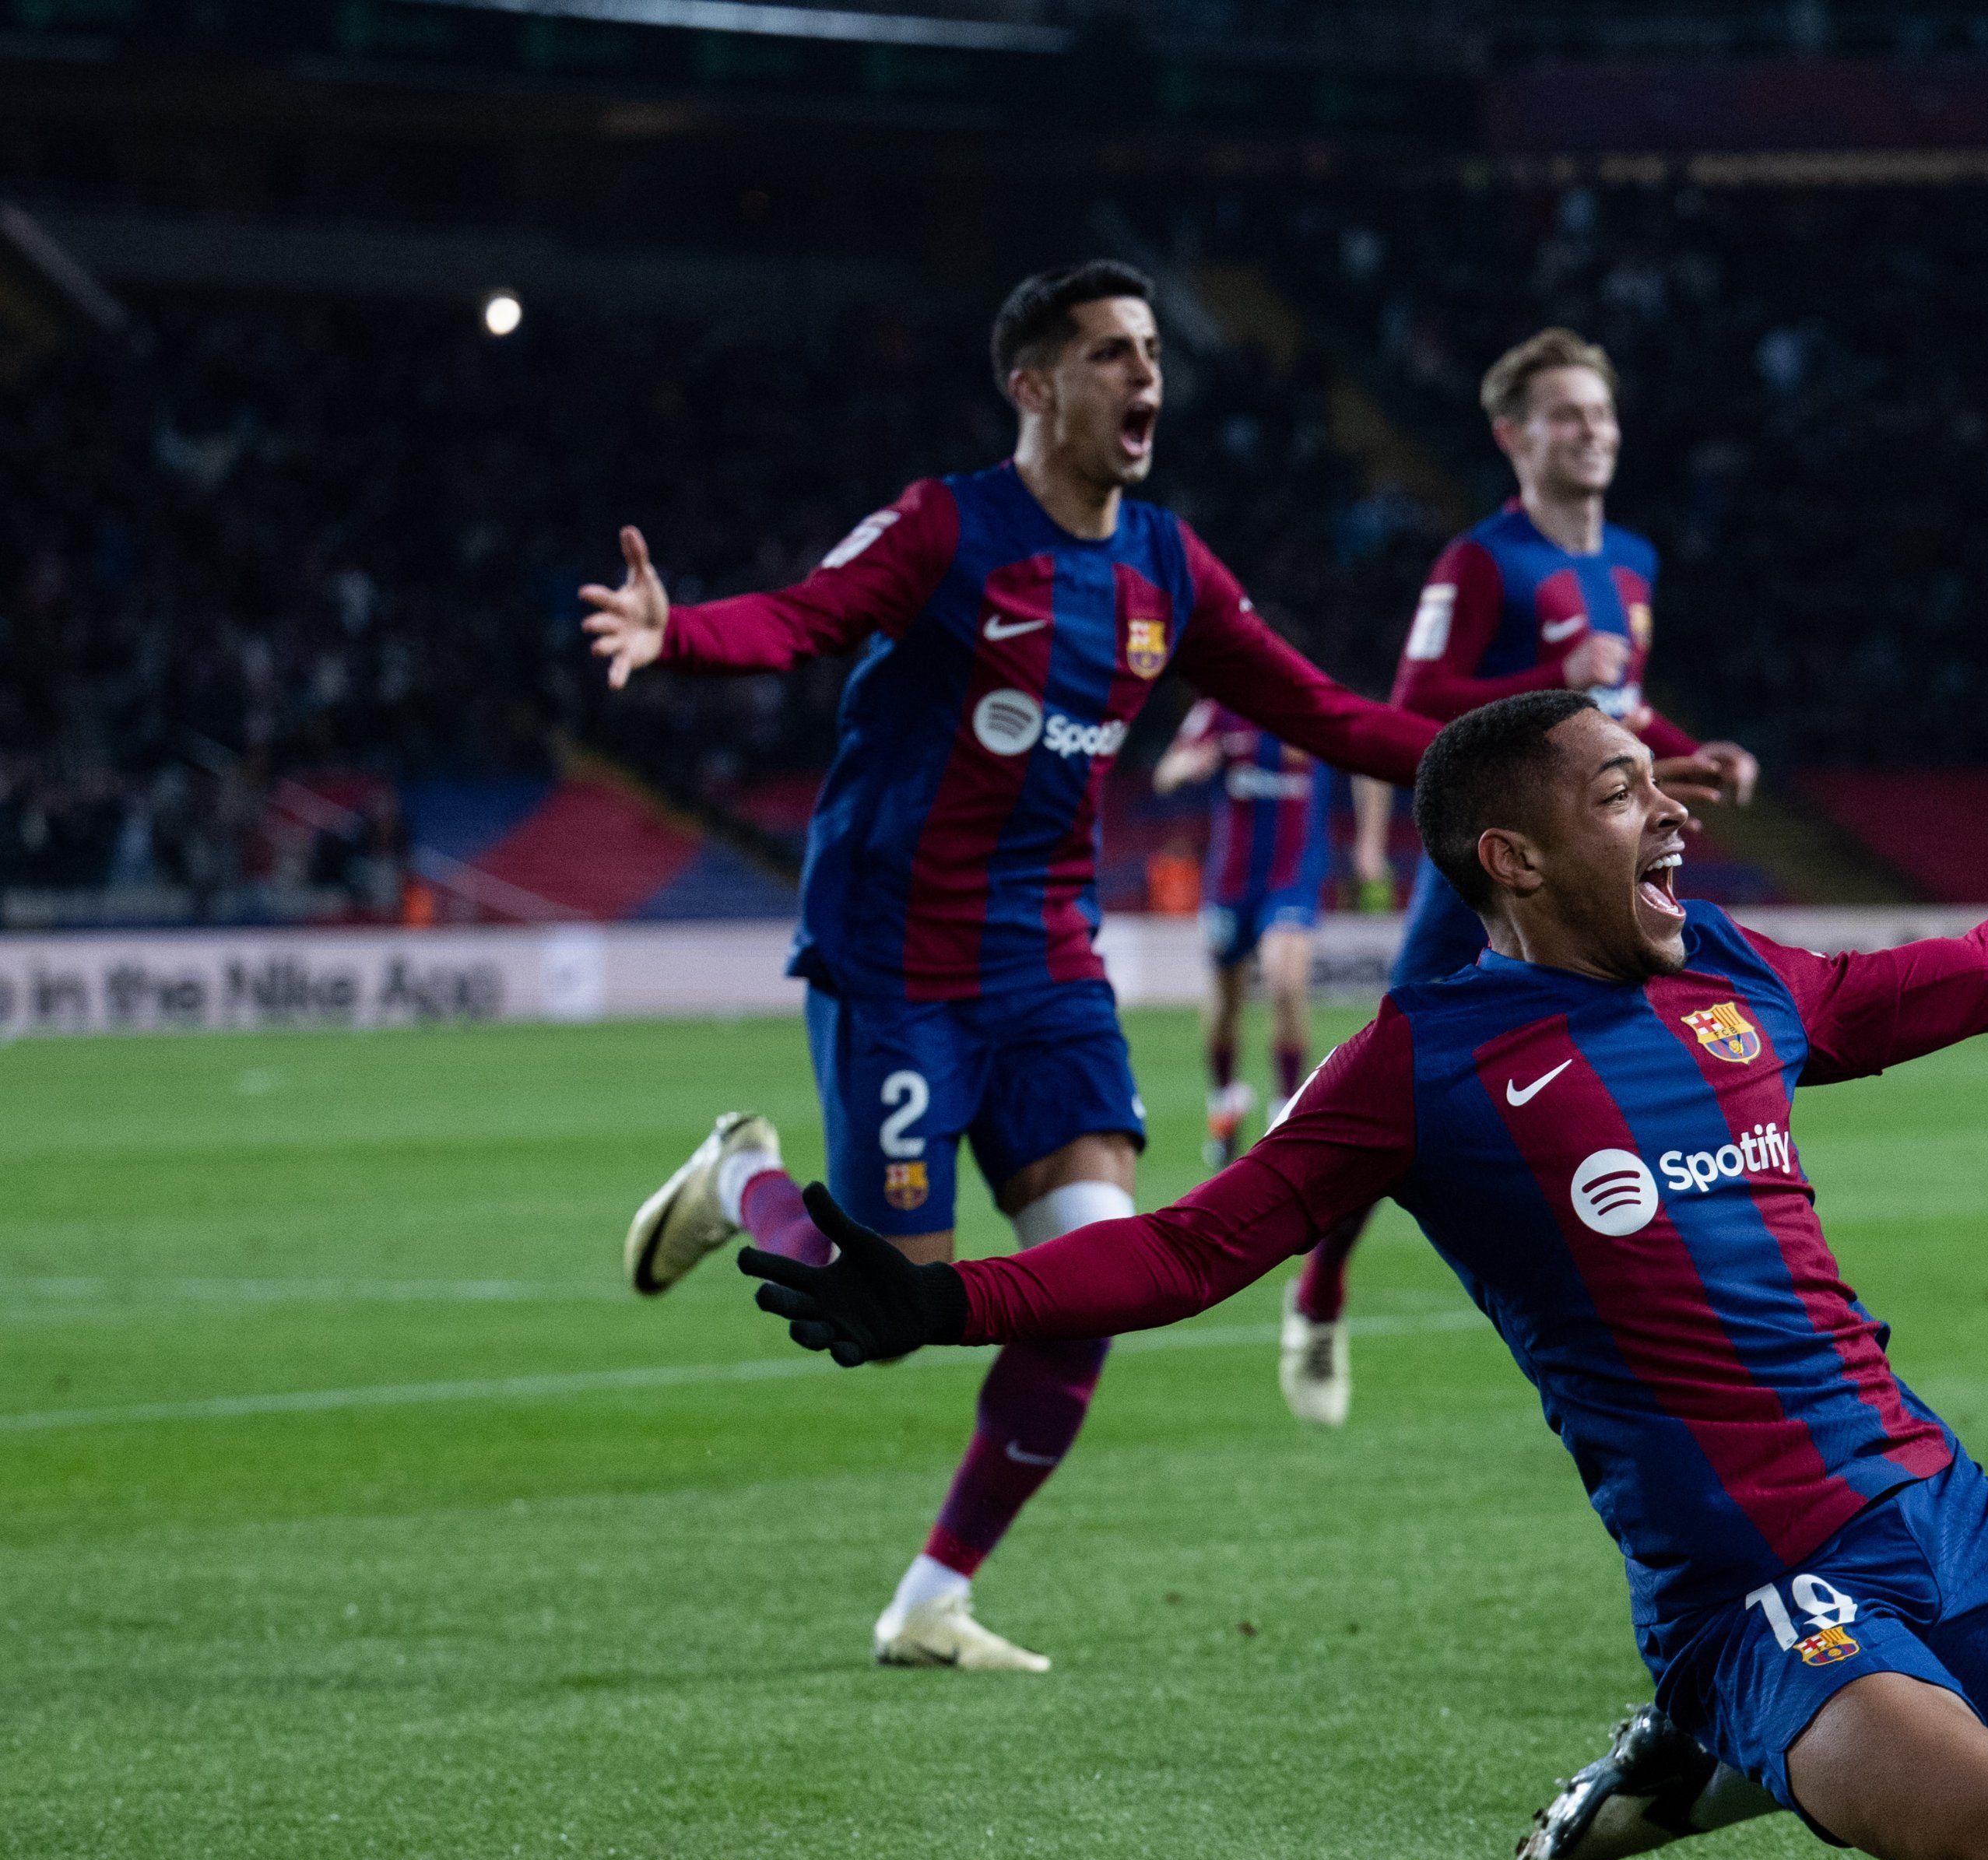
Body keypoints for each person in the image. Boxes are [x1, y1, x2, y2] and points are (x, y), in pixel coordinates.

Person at [737, 691, 1988, 1860]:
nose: (1669, 813)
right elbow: (1187, 1251)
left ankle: (1722, 1763)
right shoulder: (1423, 1064)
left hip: (1931, 1492)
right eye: (1619, 795)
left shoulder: (1724, 969)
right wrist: (939, 1299)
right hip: (1748, 1578)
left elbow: (1971, 969)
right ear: (1508, 858)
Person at [584, 261, 1450, 1672]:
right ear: (1035, 387)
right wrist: (676, 633)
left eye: (1155, 350)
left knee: (1097, 1280)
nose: (1147, 377)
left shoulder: (1169, 565)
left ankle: (931, 1596)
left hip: (1046, 964)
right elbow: (804, 616)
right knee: (885, 1311)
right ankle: (742, 1179)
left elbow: (1326, 712)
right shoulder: (949, 527)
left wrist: (1528, 750)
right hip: (897, 959)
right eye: (1111, 353)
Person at [1286, 328, 1760, 1427]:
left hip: (1598, 864)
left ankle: (1659, 1293)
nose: (1591, 431)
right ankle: (1319, 1289)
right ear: (1514, 436)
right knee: (1392, 1080)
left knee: (1651, 1054)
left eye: (1601, 412)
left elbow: (1619, 707)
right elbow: (1415, 699)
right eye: (1566, 414)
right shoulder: (1481, 561)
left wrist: (1694, 742)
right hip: (1488, 875)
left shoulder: (1631, 558)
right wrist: (1553, 672)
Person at [1148, 697, 1332, 1182]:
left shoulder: (1310, 706)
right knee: (1226, 1003)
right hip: (1231, 882)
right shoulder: (1218, 712)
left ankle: (1284, 1112)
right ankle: (1225, 1101)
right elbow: (1165, 773)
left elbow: (1365, 758)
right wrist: (1189, 764)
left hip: (1292, 877)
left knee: (1286, 981)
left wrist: (1372, 841)